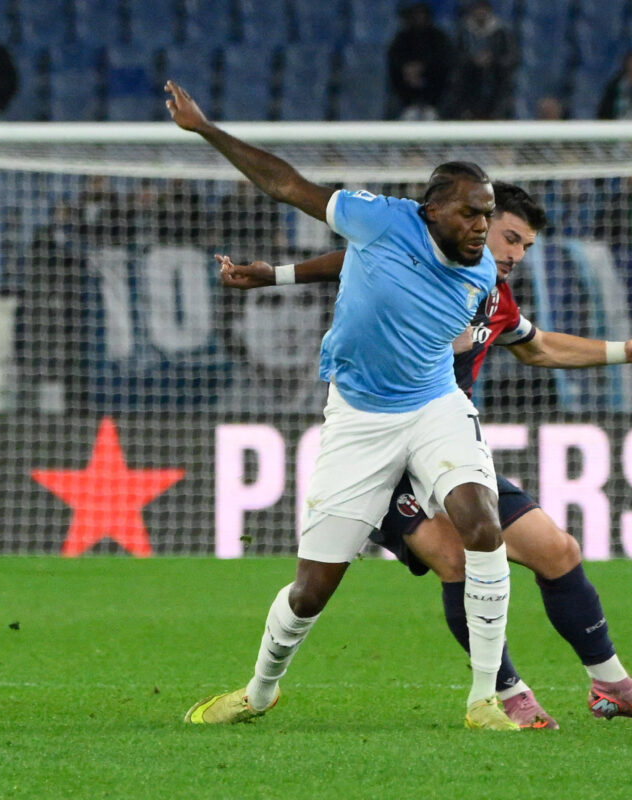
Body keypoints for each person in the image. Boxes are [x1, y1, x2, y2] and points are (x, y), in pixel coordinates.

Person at [217, 182, 632, 729]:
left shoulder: (491, 291)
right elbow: (362, 254)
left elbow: (534, 346)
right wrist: (278, 275)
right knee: (453, 560)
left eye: (525, 247)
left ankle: (611, 684)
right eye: (508, 237)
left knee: (557, 550)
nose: (514, 253)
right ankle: (506, 693)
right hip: (378, 452)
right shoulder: (415, 259)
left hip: (442, 442)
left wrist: (623, 352)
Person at [164, 80, 518, 731]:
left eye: (488, 214)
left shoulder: (481, 275)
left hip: (435, 406)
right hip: (357, 421)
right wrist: (207, 132)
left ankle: (485, 700)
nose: (482, 228)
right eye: (471, 213)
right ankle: (259, 693)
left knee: (482, 525)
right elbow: (289, 187)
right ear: (432, 210)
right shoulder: (381, 218)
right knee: (312, 589)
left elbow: (385, 274)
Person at [447, 0, 517, 120]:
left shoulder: (501, 33)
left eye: (483, 9)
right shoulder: (462, 33)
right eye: (477, 9)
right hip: (467, 88)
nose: (480, 12)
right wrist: (472, 60)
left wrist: (493, 60)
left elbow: (511, 59)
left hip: (496, 87)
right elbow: (453, 59)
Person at [387, 1, 456, 120]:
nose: (419, 18)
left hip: (435, 97)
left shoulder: (438, 37)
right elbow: (394, 61)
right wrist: (407, 70)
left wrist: (423, 69)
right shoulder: (402, 38)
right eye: (416, 14)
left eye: (422, 14)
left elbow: (443, 63)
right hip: (405, 97)